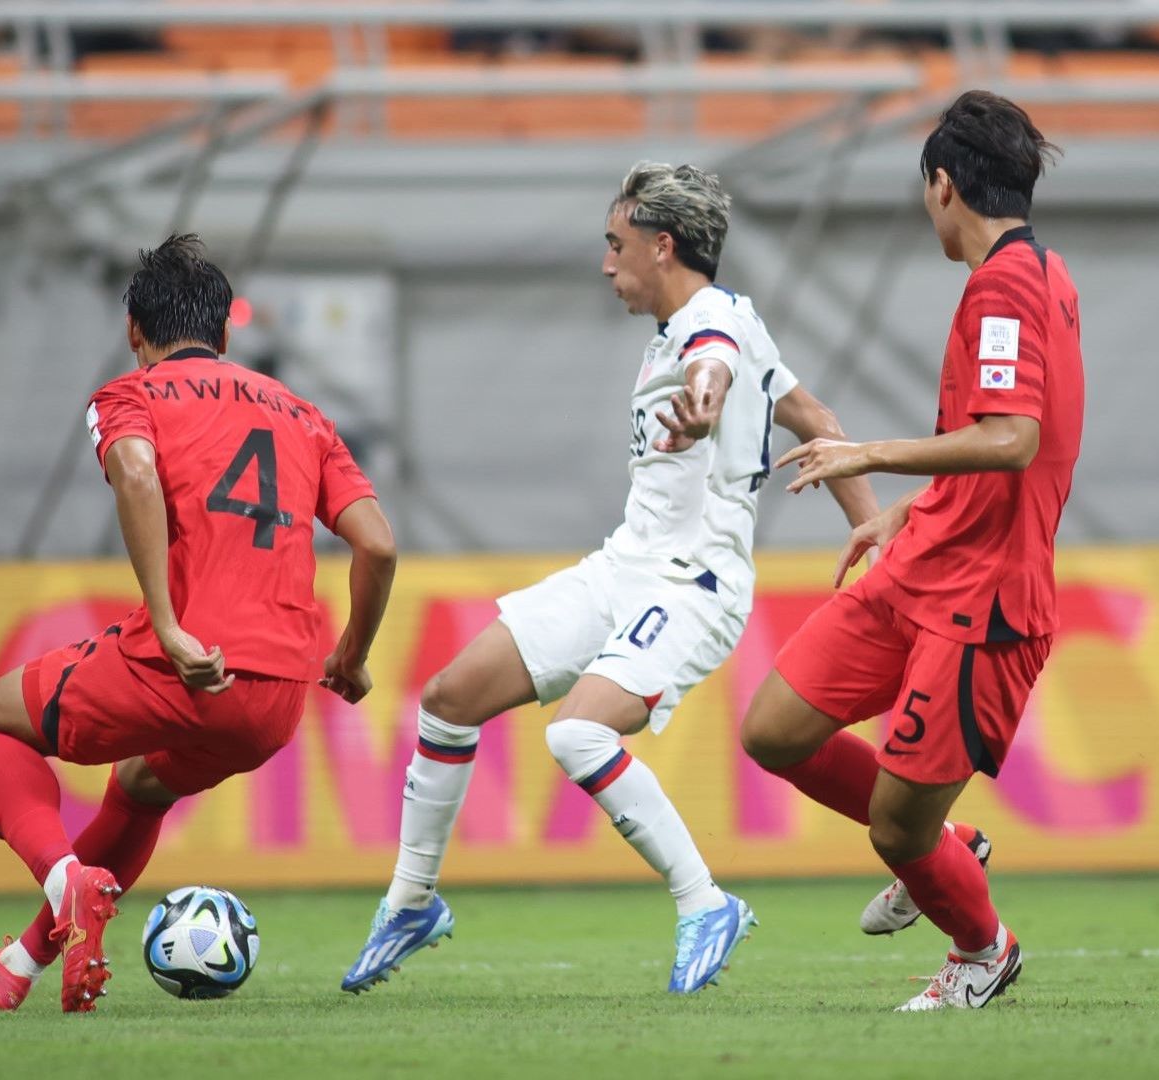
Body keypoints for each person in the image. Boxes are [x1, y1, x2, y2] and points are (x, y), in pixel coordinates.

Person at [342, 162, 879, 995]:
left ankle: (705, 903)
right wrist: (869, 525)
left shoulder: (710, 326)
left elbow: (713, 368)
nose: (605, 264)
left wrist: (705, 402)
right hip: (626, 565)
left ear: (662, 247)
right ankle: (411, 902)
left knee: (578, 734)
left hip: (692, 584)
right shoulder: (710, 323)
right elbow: (820, 423)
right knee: (449, 698)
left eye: (615, 244)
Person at [0, 235, 396, 1013]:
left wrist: (168, 624)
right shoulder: (305, 415)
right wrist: (351, 657)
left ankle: (64, 880)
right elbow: (379, 544)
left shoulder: (130, 396)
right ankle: (15, 966)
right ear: (224, 334)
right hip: (279, 696)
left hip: (183, 662)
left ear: (135, 333)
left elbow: (136, 470)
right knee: (142, 787)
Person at [740, 90, 1082, 1011]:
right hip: (924, 560)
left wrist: (872, 455)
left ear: (942, 186)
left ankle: (982, 949)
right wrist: (906, 510)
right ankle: (949, 845)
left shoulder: (1010, 285)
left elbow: (1013, 437)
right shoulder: (1027, 278)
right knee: (773, 729)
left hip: (984, 599)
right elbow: (1008, 449)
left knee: (895, 830)